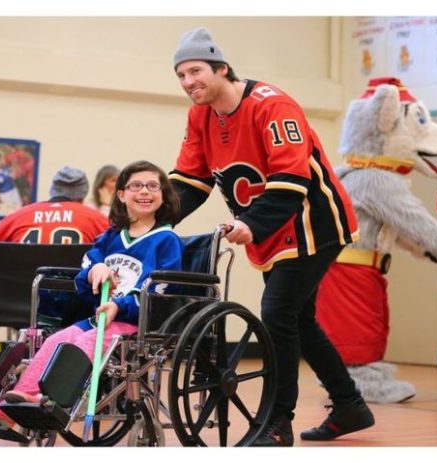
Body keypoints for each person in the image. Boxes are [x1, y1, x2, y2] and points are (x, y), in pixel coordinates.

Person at [167, 27, 374, 446]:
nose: (189, 83)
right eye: (181, 76)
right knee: (298, 319)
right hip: (269, 228)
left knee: (277, 314)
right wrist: (152, 222)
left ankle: (277, 423)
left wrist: (252, 224)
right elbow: (190, 181)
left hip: (312, 220)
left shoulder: (272, 105)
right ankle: (349, 405)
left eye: (195, 71)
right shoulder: (200, 115)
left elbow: (290, 181)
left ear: (222, 68)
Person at [0, 160, 184, 428]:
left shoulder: (166, 239)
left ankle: (46, 399)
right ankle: (12, 406)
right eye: (136, 185)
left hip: (134, 320)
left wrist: (122, 306)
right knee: (59, 338)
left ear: (164, 195)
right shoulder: (111, 236)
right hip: (101, 315)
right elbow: (88, 265)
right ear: (122, 195)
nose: (145, 191)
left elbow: (161, 287)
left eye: (153, 186)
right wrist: (96, 269)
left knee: (86, 342)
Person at [0, 166, 109, 292]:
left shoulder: (19, 215)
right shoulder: (96, 218)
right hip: (72, 305)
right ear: (82, 194)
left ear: (53, 190)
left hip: (18, 302)